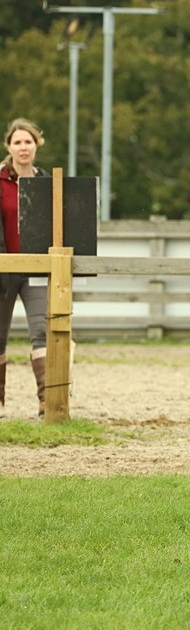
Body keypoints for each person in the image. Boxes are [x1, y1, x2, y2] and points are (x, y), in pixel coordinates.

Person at [0, 118, 50, 418]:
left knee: (42, 332)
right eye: (17, 142)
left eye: (28, 141)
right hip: (2, 270)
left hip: (36, 269)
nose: (23, 147)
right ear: (9, 146)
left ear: (36, 145)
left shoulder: (46, 183)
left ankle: (48, 404)